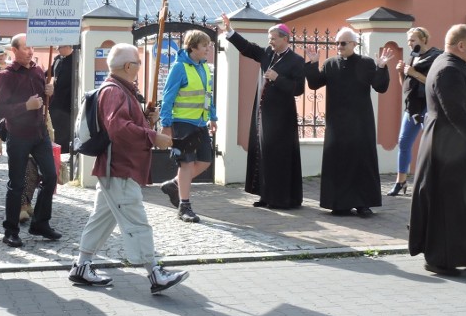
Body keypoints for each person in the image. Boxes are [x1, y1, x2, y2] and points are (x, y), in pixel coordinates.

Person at [69, 43, 189, 294]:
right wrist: (152, 135)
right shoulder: (115, 91)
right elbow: (118, 129)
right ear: (127, 66)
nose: (139, 68)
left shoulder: (122, 90)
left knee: (101, 218)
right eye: (138, 63)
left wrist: (146, 118)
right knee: (137, 222)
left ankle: (81, 266)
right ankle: (155, 272)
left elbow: (124, 124)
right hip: (120, 169)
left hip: (117, 168)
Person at [409, 24, 466, 275]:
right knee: (449, 203)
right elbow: (456, 112)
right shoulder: (448, 68)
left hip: (456, 147)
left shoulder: (453, 65)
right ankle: (440, 258)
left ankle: (465, 252)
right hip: (449, 148)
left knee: (463, 202)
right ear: (461, 46)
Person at [304, 27, 393, 217]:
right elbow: (314, 83)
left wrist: (382, 67)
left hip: (361, 124)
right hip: (337, 124)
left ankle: (363, 204)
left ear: (354, 44)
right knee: (338, 163)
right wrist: (312, 64)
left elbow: (380, 87)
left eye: (343, 43)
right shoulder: (329, 64)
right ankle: (339, 203)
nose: (339, 46)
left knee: (362, 163)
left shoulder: (367, 63)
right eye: (337, 43)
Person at [220, 14, 306, 209]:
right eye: (270, 40)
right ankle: (265, 195)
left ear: (285, 39)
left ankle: (281, 198)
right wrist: (231, 32)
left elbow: (299, 89)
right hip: (263, 114)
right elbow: (249, 49)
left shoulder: (296, 61)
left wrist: (278, 78)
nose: (271, 42)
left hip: (282, 117)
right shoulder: (268, 53)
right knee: (263, 154)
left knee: (278, 156)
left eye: (274, 39)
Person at [0, 33, 60, 248]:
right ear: (14, 50)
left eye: (32, 47)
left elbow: (42, 100)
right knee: (17, 184)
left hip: (39, 133)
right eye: (25, 48)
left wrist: (50, 92)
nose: (31, 51)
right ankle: (10, 230)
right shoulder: (6, 76)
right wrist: (25, 106)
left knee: (50, 176)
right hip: (18, 135)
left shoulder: (38, 70)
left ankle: (40, 223)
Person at [158, 30, 217, 223]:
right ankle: (184, 206)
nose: (208, 48)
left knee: (206, 160)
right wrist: (166, 125)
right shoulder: (179, 68)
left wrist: (213, 117)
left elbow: (208, 94)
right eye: (204, 45)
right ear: (192, 47)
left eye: (209, 44)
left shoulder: (205, 68)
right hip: (182, 123)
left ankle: (175, 184)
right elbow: (167, 98)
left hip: (200, 123)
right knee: (186, 163)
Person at [390, 27, 442, 196]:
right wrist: (401, 73)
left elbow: (434, 84)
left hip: (428, 105)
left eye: (413, 40)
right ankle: (401, 181)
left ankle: (433, 183)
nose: (410, 44)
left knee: (430, 145)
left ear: (424, 39)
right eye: (408, 41)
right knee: (403, 142)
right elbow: (406, 85)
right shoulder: (414, 56)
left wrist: (413, 72)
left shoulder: (436, 56)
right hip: (411, 106)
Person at [48, 45, 75, 154]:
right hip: (56, 100)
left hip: (68, 101)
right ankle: (58, 152)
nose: (57, 49)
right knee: (56, 129)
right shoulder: (58, 59)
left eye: (60, 47)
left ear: (68, 46)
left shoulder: (75, 60)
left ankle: (65, 152)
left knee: (65, 130)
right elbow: (49, 72)